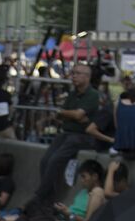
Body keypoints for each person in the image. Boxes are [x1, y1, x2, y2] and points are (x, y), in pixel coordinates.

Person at [33, 63, 100, 200]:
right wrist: (69, 114)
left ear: (87, 77)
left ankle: (40, 196)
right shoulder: (73, 94)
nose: (73, 76)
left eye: (77, 73)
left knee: (55, 160)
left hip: (81, 136)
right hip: (66, 133)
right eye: (73, 73)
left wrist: (66, 113)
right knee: (45, 160)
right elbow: (63, 115)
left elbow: (77, 115)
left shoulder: (92, 95)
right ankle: (46, 195)